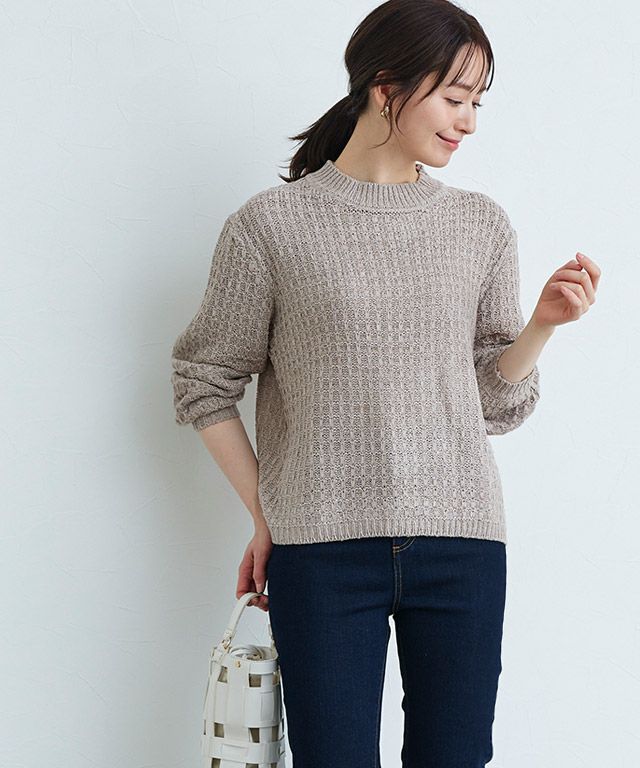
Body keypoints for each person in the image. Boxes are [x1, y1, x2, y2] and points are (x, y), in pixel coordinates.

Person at [170, 1, 601, 765]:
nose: (469, 122)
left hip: (463, 545)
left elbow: (493, 403)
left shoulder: (480, 226)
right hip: (321, 552)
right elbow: (204, 379)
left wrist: (541, 326)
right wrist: (267, 513)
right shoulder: (270, 227)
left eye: (478, 103)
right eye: (455, 97)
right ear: (385, 86)